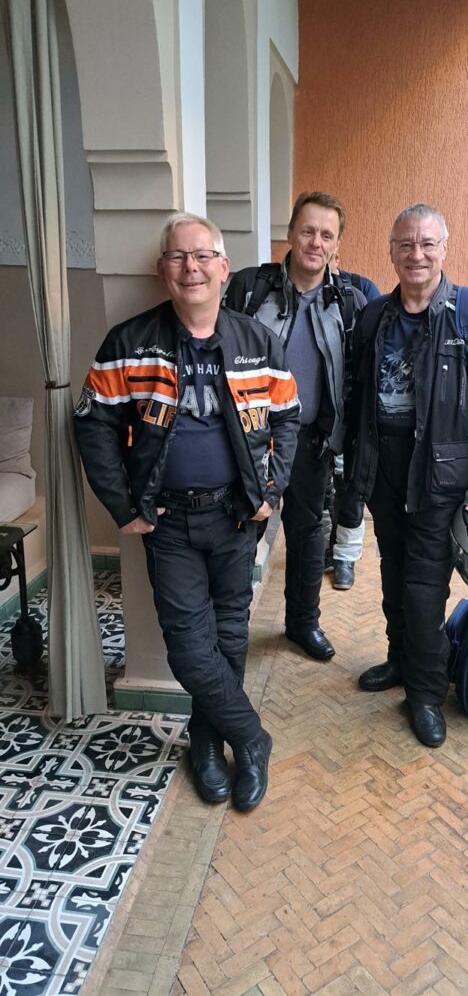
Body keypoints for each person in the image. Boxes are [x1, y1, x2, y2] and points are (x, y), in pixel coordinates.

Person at [74, 213, 300, 810]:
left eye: (202, 256)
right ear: (162, 269)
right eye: (178, 256)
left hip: (236, 516)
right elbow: (92, 424)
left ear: (223, 267)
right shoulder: (129, 342)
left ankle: (205, 745)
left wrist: (271, 490)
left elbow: (288, 417)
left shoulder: (257, 342)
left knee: (229, 637)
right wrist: (122, 505)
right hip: (167, 521)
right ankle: (251, 738)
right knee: (189, 649)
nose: (190, 267)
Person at [346, 203, 468, 747]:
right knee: (394, 572)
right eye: (405, 244)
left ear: (444, 249)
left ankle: (425, 693)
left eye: (427, 244)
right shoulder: (374, 317)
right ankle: (401, 660)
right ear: (392, 252)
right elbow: (356, 400)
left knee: (424, 587)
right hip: (384, 469)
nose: (416, 254)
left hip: (441, 474)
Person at [224, 191, 366, 660]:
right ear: (290, 233)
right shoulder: (250, 289)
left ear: (337, 244)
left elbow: (356, 376)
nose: (315, 242)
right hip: (251, 440)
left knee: (307, 534)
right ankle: (230, 629)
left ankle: (302, 625)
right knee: (241, 532)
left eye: (326, 235)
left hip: (311, 441)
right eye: (307, 231)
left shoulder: (348, 301)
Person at [323, 254, 381, 589]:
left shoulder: (361, 290)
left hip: (352, 410)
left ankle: (345, 556)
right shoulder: (297, 293)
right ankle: (324, 549)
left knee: (350, 487)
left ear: (337, 253)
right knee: (318, 489)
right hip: (313, 413)